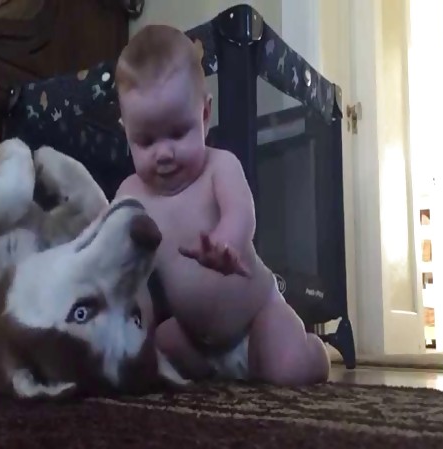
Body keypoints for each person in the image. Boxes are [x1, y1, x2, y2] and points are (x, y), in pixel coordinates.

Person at [114, 24, 330, 385]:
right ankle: (212, 368)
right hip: (195, 337)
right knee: (152, 351)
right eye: (146, 141)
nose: (164, 153)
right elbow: (121, 262)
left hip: (256, 316)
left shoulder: (219, 166)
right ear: (126, 132)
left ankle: (313, 351)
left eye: (178, 133)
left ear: (204, 114)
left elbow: (241, 214)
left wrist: (225, 243)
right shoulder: (130, 196)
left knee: (287, 369)